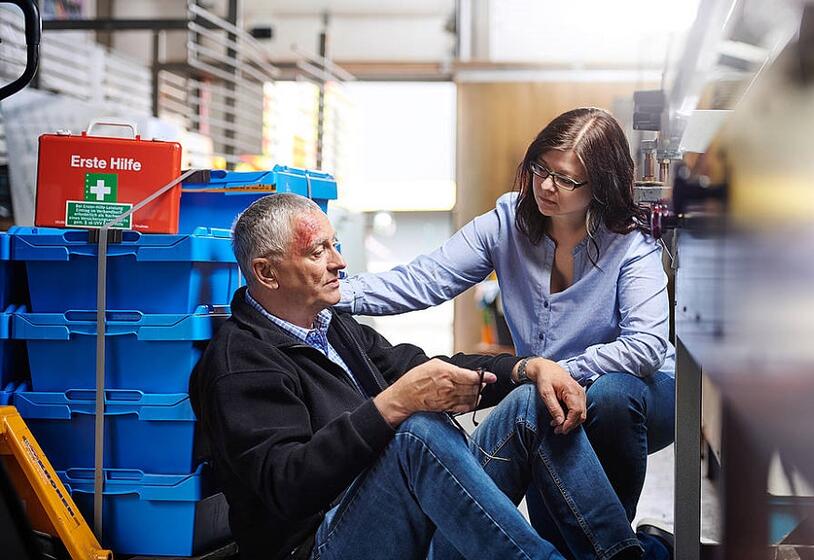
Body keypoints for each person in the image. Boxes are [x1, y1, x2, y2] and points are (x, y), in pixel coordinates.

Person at [189, 193, 669, 560]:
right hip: (323, 545)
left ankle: (619, 554)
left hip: (403, 519)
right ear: (266, 273)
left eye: (335, 245)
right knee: (416, 434)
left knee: (528, 402)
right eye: (318, 252)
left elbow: (419, 366)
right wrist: (392, 406)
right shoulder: (240, 362)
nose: (340, 261)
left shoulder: (330, 325)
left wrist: (529, 367)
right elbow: (288, 488)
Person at [337, 107, 676, 551]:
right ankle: (644, 549)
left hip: (643, 394)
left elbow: (646, 347)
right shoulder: (506, 224)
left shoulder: (631, 243)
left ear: (602, 186)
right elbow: (424, 280)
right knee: (559, 524)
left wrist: (554, 369)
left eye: (567, 179)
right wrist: (332, 292)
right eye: (540, 169)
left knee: (608, 393)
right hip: (548, 401)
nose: (547, 186)